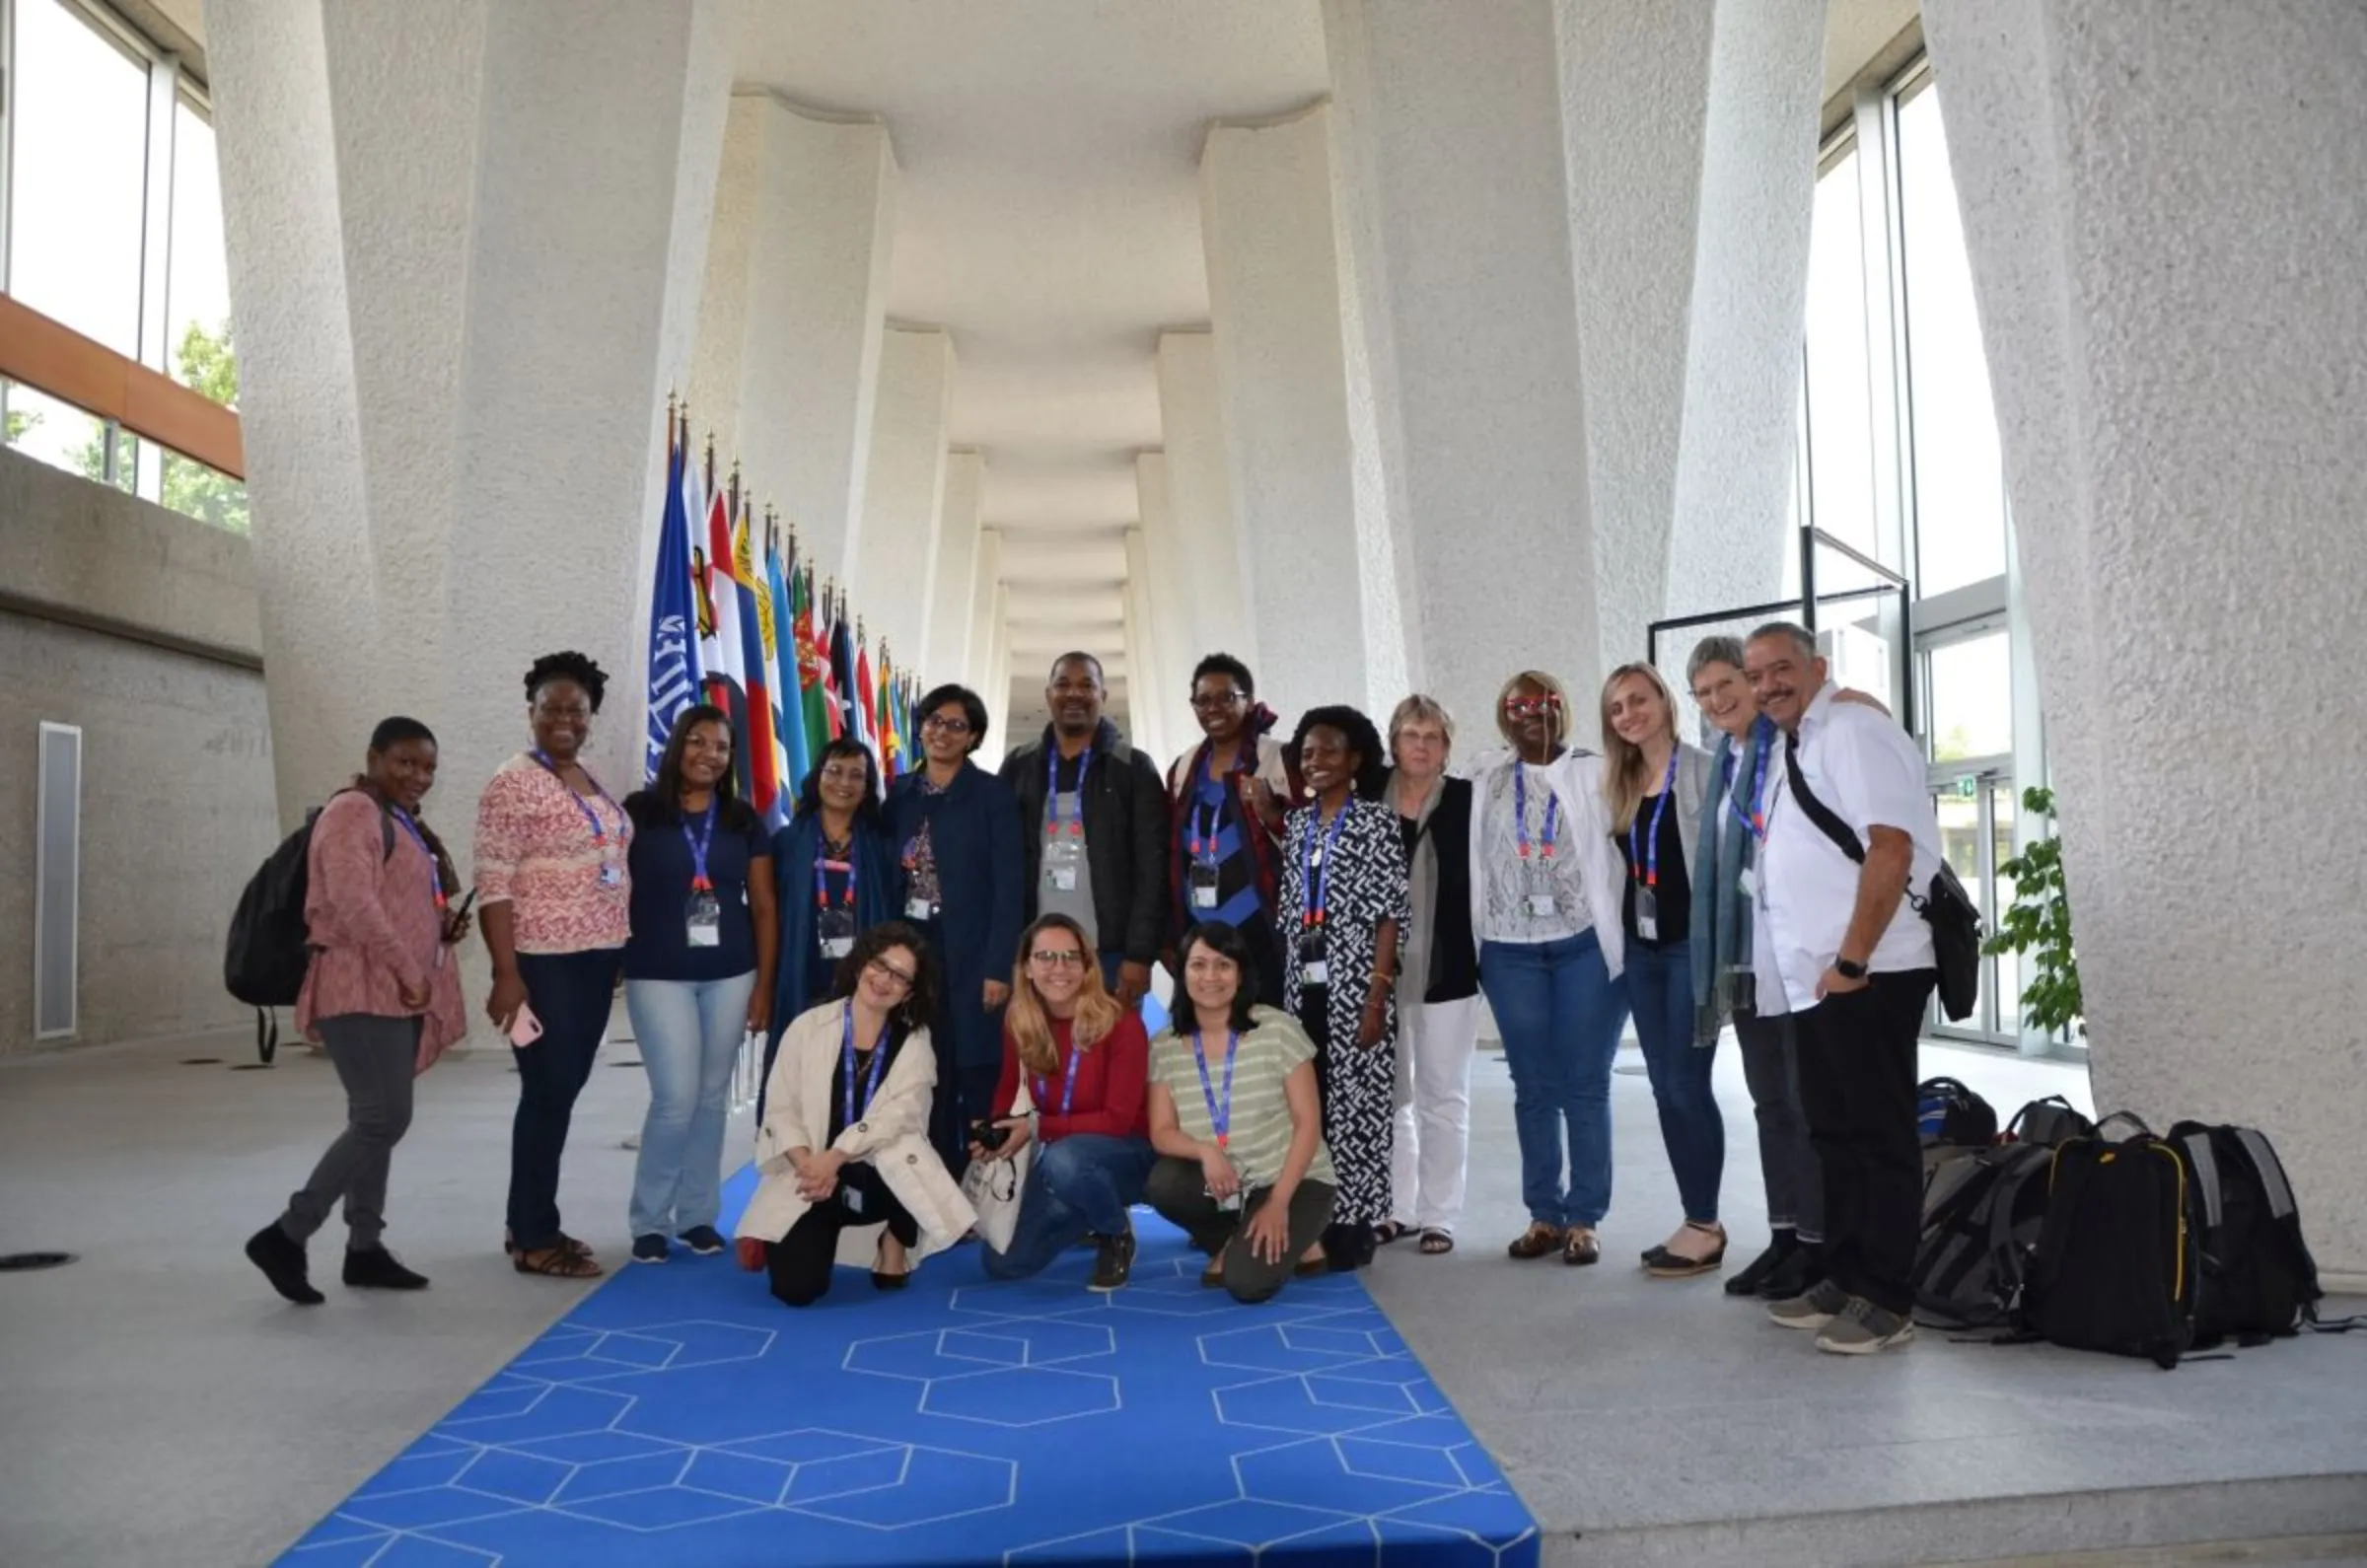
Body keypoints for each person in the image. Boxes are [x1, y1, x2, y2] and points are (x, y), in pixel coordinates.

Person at [1744, 621, 1941, 1356]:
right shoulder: (1798, 742)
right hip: (1819, 981)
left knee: (1879, 1135)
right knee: (1834, 1133)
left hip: (1871, 971)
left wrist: (1854, 961)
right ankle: (1847, 1276)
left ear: (1818, 666)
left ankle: (1888, 1299)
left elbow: (1889, 846)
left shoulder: (1852, 729)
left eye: (1781, 669)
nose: (1767, 685)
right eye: (1756, 674)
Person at [245, 718, 470, 1305]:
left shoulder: (398, 820)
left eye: (427, 768)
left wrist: (440, 927)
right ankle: (286, 1235)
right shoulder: (352, 812)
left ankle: (364, 1248)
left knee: (375, 1121)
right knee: (381, 1119)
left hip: (389, 988)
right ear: (373, 756)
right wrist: (408, 967)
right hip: (359, 986)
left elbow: (395, 899)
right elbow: (351, 901)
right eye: (405, 763)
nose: (418, 776)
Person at [474, 651, 630, 1281]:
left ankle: (530, 1219)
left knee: (560, 1093)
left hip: (594, 961)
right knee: (547, 1093)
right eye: (551, 708)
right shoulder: (512, 782)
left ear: (591, 715)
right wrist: (506, 973)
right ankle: (534, 1235)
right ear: (531, 712)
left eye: (577, 709)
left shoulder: (587, 776)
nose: (564, 718)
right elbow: (494, 882)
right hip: (543, 965)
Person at [1468, 671, 1628, 1267]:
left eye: (1545, 702)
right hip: (1508, 951)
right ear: (1502, 714)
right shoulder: (1484, 774)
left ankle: (1584, 1217)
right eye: (1518, 704)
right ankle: (1544, 1213)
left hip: (1584, 945)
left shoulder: (1596, 770)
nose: (1531, 712)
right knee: (1533, 1088)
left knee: (1585, 1084)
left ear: (1565, 709)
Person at [737, 924, 975, 1306]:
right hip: (814, 1172)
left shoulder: (915, 1041)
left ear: (909, 992)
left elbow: (901, 1115)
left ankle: (893, 1237)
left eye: (900, 977)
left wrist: (837, 1156)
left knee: (903, 1143)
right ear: (861, 964)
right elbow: (780, 1109)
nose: (885, 980)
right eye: (880, 965)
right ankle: (827, 1230)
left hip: (878, 1170)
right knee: (796, 1290)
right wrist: (809, 1166)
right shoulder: (807, 1027)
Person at [1687, 635, 1824, 1302]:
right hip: (1742, 959)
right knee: (1771, 1104)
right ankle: (1784, 1234)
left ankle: (1819, 1244)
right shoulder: (1725, 759)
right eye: (1705, 693)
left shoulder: (1792, 748)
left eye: (1727, 685)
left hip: (1792, 956)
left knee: (1805, 1105)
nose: (1718, 701)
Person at [618, 705, 777, 1265]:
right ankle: (649, 1220)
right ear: (677, 745)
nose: (708, 754)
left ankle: (697, 1217)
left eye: (721, 746)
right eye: (697, 741)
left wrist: (764, 986)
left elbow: (762, 906)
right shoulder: (639, 812)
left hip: (732, 974)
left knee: (711, 1101)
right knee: (675, 1098)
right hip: (657, 973)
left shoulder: (741, 819)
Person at [1602, 663, 1725, 1278]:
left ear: (1664, 701)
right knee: (1663, 1088)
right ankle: (1696, 1218)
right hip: (1642, 953)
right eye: (1617, 707)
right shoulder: (1619, 783)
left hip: (1689, 950)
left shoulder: (1705, 769)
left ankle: (1705, 1223)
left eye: (1638, 700)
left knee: (1686, 1085)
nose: (1629, 714)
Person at [1276, 705, 1408, 1272]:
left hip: (1358, 986)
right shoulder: (1299, 824)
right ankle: (1313, 1218)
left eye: (1329, 751)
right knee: (1309, 1106)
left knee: (1359, 1108)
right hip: (1302, 982)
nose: (1316, 761)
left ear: (1355, 759)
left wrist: (1376, 996)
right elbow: (1294, 909)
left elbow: (1389, 918)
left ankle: (1356, 1225)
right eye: (1307, 753)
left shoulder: (1377, 822)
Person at [1144, 921, 1336, 1304]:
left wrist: (1278, 1202)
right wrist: (1207, 1151)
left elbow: (1308, 1123)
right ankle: (1239, 1236)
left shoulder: (1277, 1028)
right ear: (1182, 973)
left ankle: (1296, 1231)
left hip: (1295, 1181)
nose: (1210, 977)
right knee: (1163, 1185)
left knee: (1246, 1285)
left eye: (1223, 965)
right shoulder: (1165, 1045)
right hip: (1226, 1181)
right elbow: (1162, 1131)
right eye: (1198, 965)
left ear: (1241, 973)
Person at [974, 914, 1156, 1292]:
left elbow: (1118, 1121)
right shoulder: (1020, 1019)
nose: (1059, 968)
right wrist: (996, 1131)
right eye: (1046, 957)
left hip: (1129, 1154)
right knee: (1004, 1263)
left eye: (1071, 957)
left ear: (1088, 966)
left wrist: (1038, 1129)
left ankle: (1115, 1232)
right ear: (1026, 967)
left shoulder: (1120, 1023)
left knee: (1067, 1160)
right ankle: (1089, 1207)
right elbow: (1009, 1092)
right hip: (1060, 1157)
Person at [888, 683, 1023, 1173]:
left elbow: (1010, 888)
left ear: (974, 737)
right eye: (933, 720)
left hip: (972, 952)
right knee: (924, 1065)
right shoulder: (900, 793)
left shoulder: (992, 796)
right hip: (913, 951)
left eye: (955, 725)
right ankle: (933, 1181)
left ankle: (985, 1181)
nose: (941, 732)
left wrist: (998, 967)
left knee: (977, 1068)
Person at [1001, 652, 1169, 1009]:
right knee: (1041, 1055)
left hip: (1109, 956)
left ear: (1103, 696)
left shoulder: (1132, 768)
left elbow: (1153, 867)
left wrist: (1139, 954)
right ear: (1048, 695)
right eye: (1063, 684)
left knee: (1110, 1056)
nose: (1074, 694)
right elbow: (1001, 864)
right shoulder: (1020, 765)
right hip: (1037, 954)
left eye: (1086, 685)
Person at [1381, 695, 1479, 1256]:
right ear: (1394, 742)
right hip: (1381, 973)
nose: (1421, 745)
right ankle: (1398, 1207)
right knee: (1394, 1097)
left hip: (1449, 968)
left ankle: (1439, 1214)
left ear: (1446, 748)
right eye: (1412, 734)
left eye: (1433, 737)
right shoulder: (1371, 800)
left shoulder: (1467, 800)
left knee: (1443, 1093)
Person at [769, 738, 898, 1105]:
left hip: (861, 976)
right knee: (801, 1072)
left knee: (855, 1073)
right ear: (817, 776)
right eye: (835, 771)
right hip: (801, 972)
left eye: (856, 775)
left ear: (868, 786)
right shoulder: (787, 842)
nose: (844, 782)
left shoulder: (881, 846)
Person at [1163, 653, 1293, 1006]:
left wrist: (1271, 812)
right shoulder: (1184, 768)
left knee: (1266, 1034)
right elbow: (1169, 851)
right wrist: (1170, 935)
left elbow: (1313, 840)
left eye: (1226, 697)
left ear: (1249, 702)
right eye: (1203, 700)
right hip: (1200, 933)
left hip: (1263, 931)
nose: (1214, 708)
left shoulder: (1280, 760)